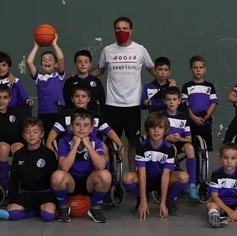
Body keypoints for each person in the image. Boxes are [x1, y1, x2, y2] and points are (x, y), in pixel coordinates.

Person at [92, 16, 155, 170]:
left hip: (132, 104)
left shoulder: (140, 50)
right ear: (114, 31)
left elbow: (152, 69)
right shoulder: (108, 50)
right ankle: (108, 174)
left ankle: (132, 173)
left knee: (134, 142)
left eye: (125, 29)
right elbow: (99, 70)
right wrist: (82, 76)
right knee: (110, 141)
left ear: (131, 31)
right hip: (112, 104)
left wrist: (166, 81)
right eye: (118, 28)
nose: (121, 31)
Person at [122, 113, 188, 218]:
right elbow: (142, 174)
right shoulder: (141, 147)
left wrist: (162, 203)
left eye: (160, 127)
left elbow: (166, 175)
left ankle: (169, 200)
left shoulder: (169, 148)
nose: (156, 130)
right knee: (127, 178)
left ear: (166, 130)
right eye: (153, 127)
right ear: (147, 130)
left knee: (184, 177)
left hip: (163, 179)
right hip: (146, 179)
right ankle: (140, 199)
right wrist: (143, 200)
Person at [50, 110, 111, 223]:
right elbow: (64, 167)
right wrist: (75, 145)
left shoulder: (96, 141)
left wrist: (88, 144)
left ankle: (95, 208)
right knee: (57, 176)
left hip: (89, 182)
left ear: (91, 128)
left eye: (86, 125)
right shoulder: (64, 141)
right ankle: (63, 208)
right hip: (71, 182)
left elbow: (101, 165)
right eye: (77, 124)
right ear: (71, 127)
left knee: (105, 175)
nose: (81, 128)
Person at [5, 118, 58, 223]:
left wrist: (56, 202)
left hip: (45, 193)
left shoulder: (49, 154)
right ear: (23, 135)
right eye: (28, 132)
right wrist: (11, 200)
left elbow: (54, 179)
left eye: (35, 131)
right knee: (12, 214)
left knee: (48, 216)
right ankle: (32, 212)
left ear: (42, 134)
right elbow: (14, 179)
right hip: (26, 193)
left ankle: (42, 210)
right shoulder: (19, 154)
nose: (31, 135)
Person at [46, 85, 122, 154]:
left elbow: (109, 131)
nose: (80, 99)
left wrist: (120, 145)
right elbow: (54, 130)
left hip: (92, 150)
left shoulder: (96, 117)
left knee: (104, 148)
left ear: (88, 99)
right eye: (77, 96)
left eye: (83, 96)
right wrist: (48, 143)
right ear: (72, 99)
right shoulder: (65, 116)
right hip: (69, 149)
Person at [161, 87, 199, 198]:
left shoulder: (184, 117)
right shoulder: (161, 116)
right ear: (164, 101)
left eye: (174, 99)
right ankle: (173, 183)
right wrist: (166, 137)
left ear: (179, 101)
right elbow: (155, 134)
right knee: (172, 148)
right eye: (168, 99)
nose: (171, 102)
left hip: (179, 141)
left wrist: (180, 138)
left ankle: (191, 184)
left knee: (190, 148)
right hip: (165, 142)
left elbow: (189, 139)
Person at [26, 37, 66, 131]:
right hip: (43, 113)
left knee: (58, 137)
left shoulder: (59, 75)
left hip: (59, 112)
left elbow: (60, 58)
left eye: (50, 59)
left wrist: (54, 43)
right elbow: (29, 62)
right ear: (41, 65)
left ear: (56, 64)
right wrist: (36, 46)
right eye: (44, 60)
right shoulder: (38, 78)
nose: (47, 61)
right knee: (45, 136)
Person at [181, 55, 218, 155]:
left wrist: (205, 118)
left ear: (204, 69)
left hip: (205, 121)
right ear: (190, 70)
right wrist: (194, 118)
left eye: (200, 67)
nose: (198, 70)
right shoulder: (186, 86)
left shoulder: (210, 86)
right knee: (192, 149)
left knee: (205, 149)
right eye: (195, 67)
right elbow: (184, 104)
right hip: (191, 121)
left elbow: (213, 103)